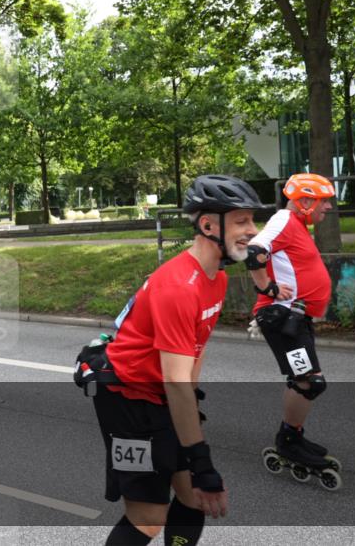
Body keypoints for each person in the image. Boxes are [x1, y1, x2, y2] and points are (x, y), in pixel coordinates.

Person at [84, 175, 264, 545]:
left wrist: (189, 412)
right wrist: (200, 457)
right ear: (208, 225)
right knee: (148, 517)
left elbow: (193, 354)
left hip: (162, 395)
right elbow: (175, 381)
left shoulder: (216, 278)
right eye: (243, 220)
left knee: (193, 498)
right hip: (126, 402)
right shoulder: (178, 287)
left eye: (252, 220)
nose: (253, 230)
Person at [245, 173, 339, 477]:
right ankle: (288, 441)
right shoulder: (284, 219)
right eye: (324, 202)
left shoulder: (296, 225)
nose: (328, 208)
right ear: (306, 201)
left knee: (306, 380)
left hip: (294, 317)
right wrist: (268, 288)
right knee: (309, 381)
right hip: (282, 317)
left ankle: (292, 435)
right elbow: (253, 252)